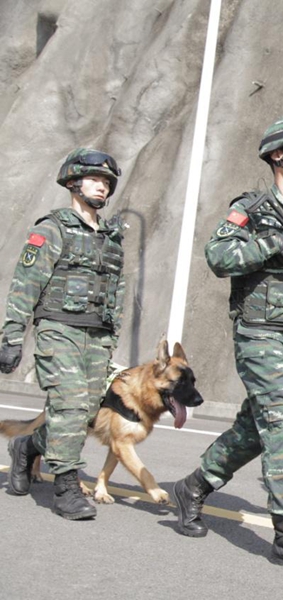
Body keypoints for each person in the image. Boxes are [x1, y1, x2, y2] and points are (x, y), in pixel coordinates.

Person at [171, 116, 283, 574]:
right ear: (277, 155)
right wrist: (271, 244)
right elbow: (218, 256)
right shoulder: (251, 207)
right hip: (258, 334)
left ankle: (194, 485)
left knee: (258, 427)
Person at [3, 148, 126, 520]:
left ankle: (26, 449)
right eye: (94, 180)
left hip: (97, 338)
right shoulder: (52, 229)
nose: (101, 187)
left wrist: (111, 338)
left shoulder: (110, 237)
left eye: (106, 182)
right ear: (73, 182)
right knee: (69, 406)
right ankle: (66, 487)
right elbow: (26, 284)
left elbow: (116, 291)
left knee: (83, 415)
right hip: (59, 331)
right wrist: (11, 336)